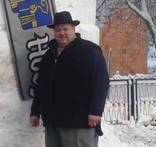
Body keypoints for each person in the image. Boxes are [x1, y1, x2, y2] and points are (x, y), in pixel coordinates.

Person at [30, 11, 109, 147]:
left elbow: (101, 82)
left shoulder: (89, 51)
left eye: (65, 29)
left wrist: (96, 111)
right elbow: (41, 86)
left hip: (79, 122)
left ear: (73, 29)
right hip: (53, 122)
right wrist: (35, 111)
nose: (62, 33)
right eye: (58, 30)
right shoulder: (49, 55)